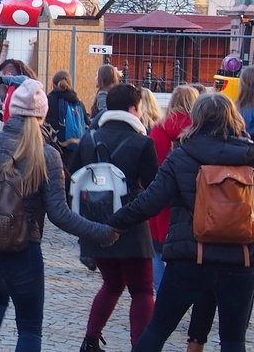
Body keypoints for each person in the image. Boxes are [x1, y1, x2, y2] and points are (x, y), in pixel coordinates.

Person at [0, 79, 119, 352]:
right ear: (41, 114)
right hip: (21, 249)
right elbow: (60, 214)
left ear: (11, 110)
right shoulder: (46, 154)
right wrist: (103, 233)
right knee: (29, 325)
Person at [108, 93, 254, 352]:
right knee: (233, 340)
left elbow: (150, 202)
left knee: (157, 330)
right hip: (240, 260)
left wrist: (115, 223)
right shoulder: (253, 157)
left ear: (196, 119)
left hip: (190, 257)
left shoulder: (183, 155)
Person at [186, 67, 254, 351]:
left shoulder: (228, 121)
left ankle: (196, 342)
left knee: (207, 289)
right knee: (245, 294)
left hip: (217, 213)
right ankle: (231, 340)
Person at [68, 83, 159, 352]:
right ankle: (140, 345)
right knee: (142, 289)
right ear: (133, 109)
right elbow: (154, 186)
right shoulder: (143, 142)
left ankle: (90, 339)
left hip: (95, 223)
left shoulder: (89, 138)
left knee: (112, 283)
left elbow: (71, 180)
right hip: (131, 222)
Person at [147, 84, 199, 291]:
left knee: (158, 251)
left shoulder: (159, 129)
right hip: (192, 199)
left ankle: (162, 295)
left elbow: (151, 166)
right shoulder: (198, 129)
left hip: (162, 197)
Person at [45, 70, 89, 167]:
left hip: (54, 150)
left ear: (53, 85)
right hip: (74, 152)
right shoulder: (79, 103)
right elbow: (88, 123)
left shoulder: (49, 100)